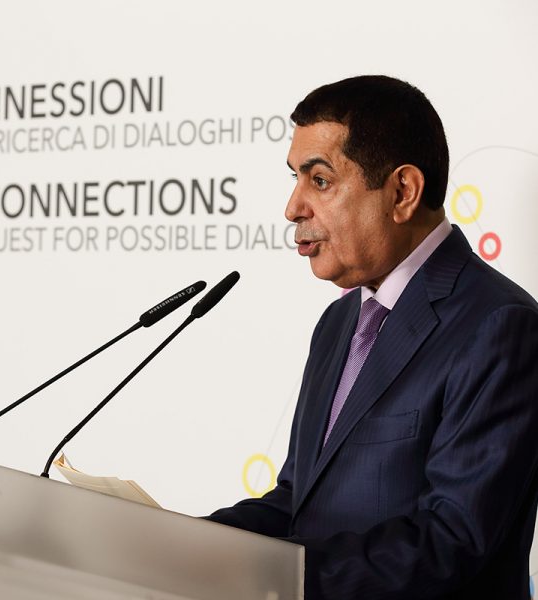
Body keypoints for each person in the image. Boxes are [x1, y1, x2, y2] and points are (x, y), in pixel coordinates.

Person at [206, 75, 538, 599]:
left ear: (402, 192)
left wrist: (277, 575)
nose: (292, 208)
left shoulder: (500, 326)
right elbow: (298, 500)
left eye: (320, 180)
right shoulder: (338, 322)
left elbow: (451, 541)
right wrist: (184, 543)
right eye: (295, 179)